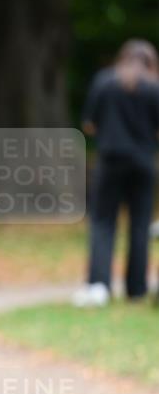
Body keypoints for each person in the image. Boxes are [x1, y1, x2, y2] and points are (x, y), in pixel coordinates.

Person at [73, 39, 159, 307]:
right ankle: (136, 289)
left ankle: (99, 285)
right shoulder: (154, 88)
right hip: (144, 162)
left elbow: (89, 124)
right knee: (140, 225)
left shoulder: (105, 81)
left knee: (102, 222)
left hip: (110, 162)